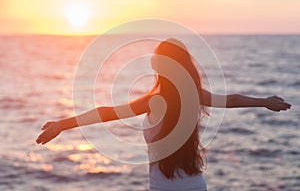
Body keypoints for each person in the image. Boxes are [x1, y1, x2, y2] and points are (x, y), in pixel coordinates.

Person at [36, 38, 291, 191]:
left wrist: (63, 124)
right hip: (195, 185)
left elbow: (106, 113)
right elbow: (232, 99)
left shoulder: (152, 101)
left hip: (163, 187)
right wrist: (264, 102)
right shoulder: (195, 95)